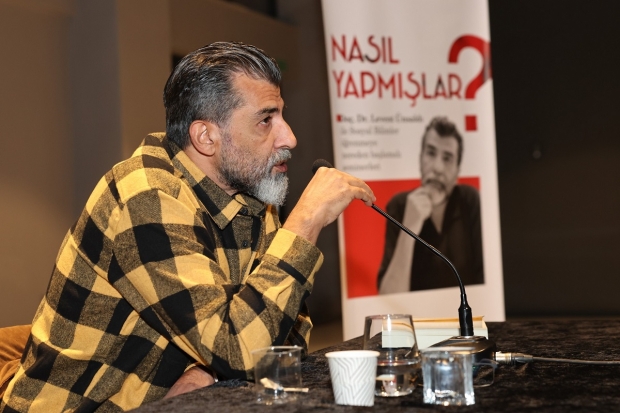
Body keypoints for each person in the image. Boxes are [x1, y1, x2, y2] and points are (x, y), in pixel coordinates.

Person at [0, 42, 375, 412]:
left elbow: (286, 328)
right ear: (206, 137)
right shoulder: (146, 197)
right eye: (266, 120)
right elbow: (242, 350)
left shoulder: (252, 194)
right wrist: (305, 222)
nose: (289, 137)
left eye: (281, 115)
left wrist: (206, 372)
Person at [377, 116, 483, 294]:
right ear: (420, 159)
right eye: (431, 153)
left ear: (458, 170)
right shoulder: (399, 206)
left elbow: (486, 283)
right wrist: (408, 228)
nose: (437, 168)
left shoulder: (470, 201)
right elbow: (389, 298)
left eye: (447, 158)